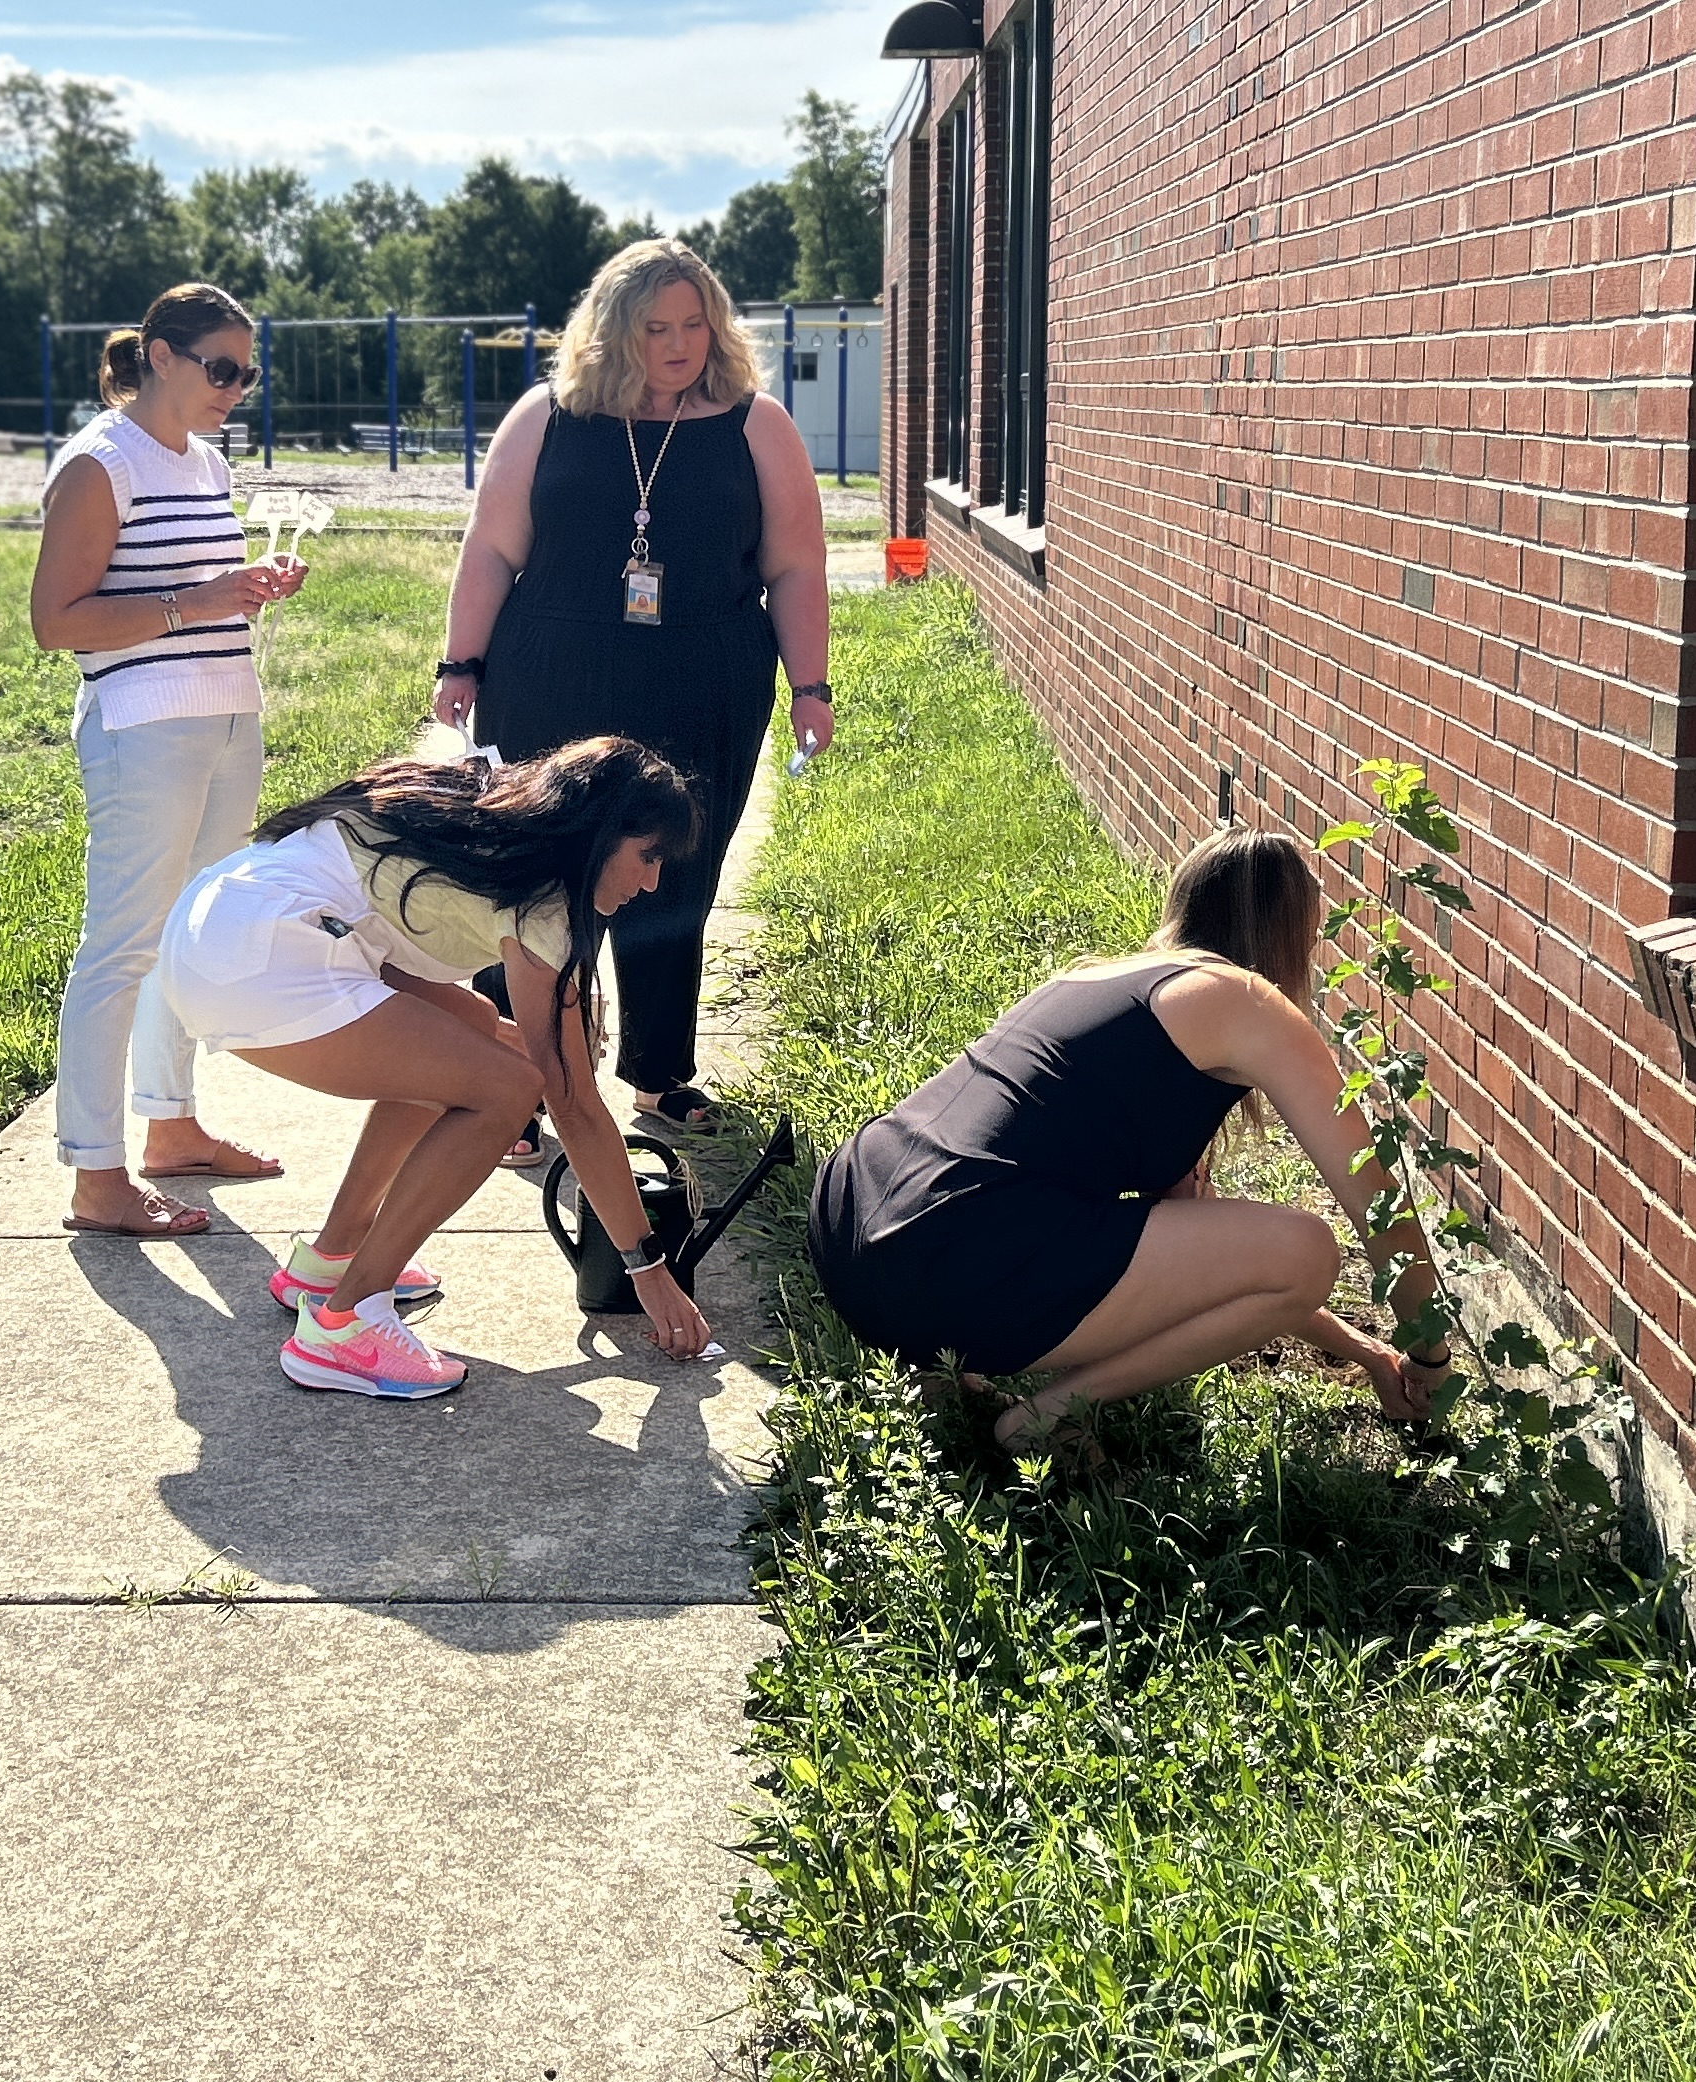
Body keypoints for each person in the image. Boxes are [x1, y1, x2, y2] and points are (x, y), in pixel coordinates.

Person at [807, 829, 1448, 1455]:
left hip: (852, 1225)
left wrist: (1366, 1353)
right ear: (1292, 934)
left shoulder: (1104, 981)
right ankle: (1050, 1415)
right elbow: (1376, 1202)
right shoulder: (1246, 1001)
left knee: (1277, 1253)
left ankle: (944, 1368)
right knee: (1311, 1250)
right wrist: (1430, 1354)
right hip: (946, 1249)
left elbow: (1217, 1270)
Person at [156, 739, 718, 1400]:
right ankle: (344, 1324)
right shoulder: (545, 901)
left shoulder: (478, 795)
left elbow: (394, 961)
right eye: (646, 856)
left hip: (213, 925)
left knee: (477, 1044)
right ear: (600, 831)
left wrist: (499, 1032)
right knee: (508, 1089)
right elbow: (573, 1103)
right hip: (265, 956)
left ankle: (329, 1262)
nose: (650, 882)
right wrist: (647, 1267)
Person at [430, 240, 830, 1138]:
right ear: (615, 330)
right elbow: (492, 547)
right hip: (549, 678)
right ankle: (515, 1079)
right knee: (537, 878)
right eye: (657, 327)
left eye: (695, 324)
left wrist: (812, 686)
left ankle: (660, 1074)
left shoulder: (754, 425)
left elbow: (798, 567)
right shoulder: (548, 416)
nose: (680, 343)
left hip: (704, 680)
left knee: (674, 872)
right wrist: (461, 662)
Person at [28, 283, 306, 1238]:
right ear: (158, 354)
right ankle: (95, 1176)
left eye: (247, 372)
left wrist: (245, 592)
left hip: (226, 716)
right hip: (143, 728)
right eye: (220, 368)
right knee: (122, 946)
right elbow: (55, 622)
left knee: (189, 936)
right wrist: (203, 600)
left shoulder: (205, 464)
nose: (237, 387)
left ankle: (172, 1127)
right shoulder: (100, 464)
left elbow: (193, 591)